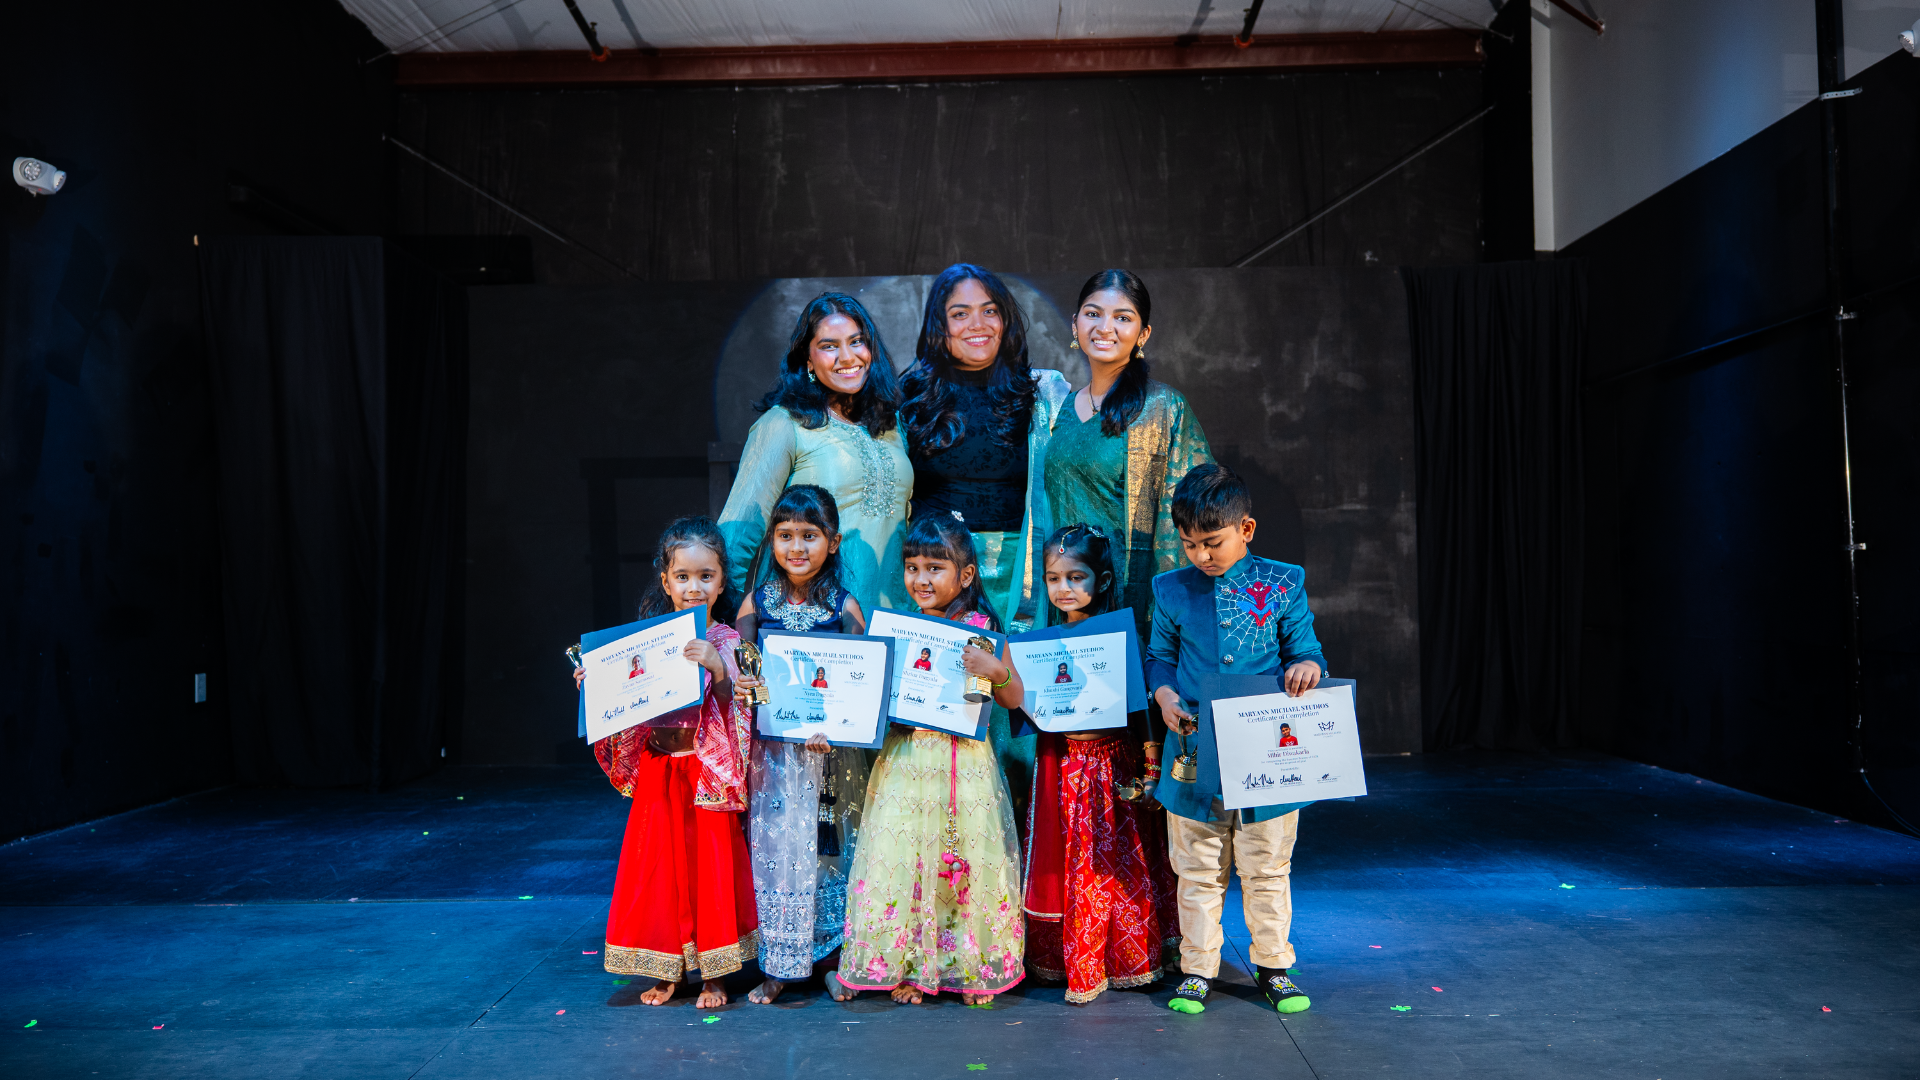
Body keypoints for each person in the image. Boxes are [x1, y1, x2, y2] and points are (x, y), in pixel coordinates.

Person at [1147, 464, 1325, 1016]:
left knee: (1266, 866)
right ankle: (1198, 967)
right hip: (1194, 752)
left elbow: (1307, 648)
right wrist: (1165, 696)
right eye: (1190, 544)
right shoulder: (1170, 588)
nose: (1202, 555)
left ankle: (1273, 964)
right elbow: (1159, 658)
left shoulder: (1282, 582)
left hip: (1264, 753)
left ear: (1246, 529)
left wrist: (1308, 668)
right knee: (1197, 868)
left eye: (1214, 542)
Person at [837, 513, 1030, 1005]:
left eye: (935, 568)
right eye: (912, 567)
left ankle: (967, 966)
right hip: (907, 758)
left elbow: (1013, 698)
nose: (921, 579)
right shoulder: (900, 628)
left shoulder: (980, 629)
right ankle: (910, 966)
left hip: (962, 764)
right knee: (907, 858)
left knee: (963, 857)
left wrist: (995, 671)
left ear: (966, 575)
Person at [899, 263, 1072, 810]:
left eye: (989, 310)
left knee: (1007, 709)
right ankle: (947, 852)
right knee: (943, 715)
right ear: (939, 326)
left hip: (1017, 575)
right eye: (959, 313)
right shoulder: (908, 395)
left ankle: (1011, 861)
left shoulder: (1039, 393)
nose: (978, 324)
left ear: (1006, 319)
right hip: (935, 580)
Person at [580, 516, 756, 1008]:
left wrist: (719, 669)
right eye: (683, 577)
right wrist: (594, 686)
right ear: (666, 580)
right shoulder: (647, 641)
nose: (694, 587)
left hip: (705, 773)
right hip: (662, 771)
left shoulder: (726, 640)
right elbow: (625, 701)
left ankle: (716, 974)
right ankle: (669, 969)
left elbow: (741, 708)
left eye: (706, 576)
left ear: (722, 581)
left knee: (709, 871)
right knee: (660, 870)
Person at [1023, 523, 1179, 1004]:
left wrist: (1152, 770)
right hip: (1066, 766)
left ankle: (1126, 958)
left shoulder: (1122, 637)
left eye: (1076, 578)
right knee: (1077, 864)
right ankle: (1078, 961)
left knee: (1118, 865)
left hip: (1113, 767)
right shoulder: (1041, 641)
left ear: (1103, 582)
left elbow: (1141, 710)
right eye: (1053, 578)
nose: (1064, 589)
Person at [731, 485, 872, 1005]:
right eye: (786, 536)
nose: (797, 548)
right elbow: (746, 671)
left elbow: (857, 679)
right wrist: (746, 685)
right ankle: (780, 963)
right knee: (777, 851)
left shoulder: (845, 605)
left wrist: (833, 726)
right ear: (772, 541)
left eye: (809, 536)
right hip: (774, 756)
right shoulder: (756, 602)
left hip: (828, 754)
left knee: (830, 850)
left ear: (832, 542)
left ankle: (835, 960)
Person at [720, 292, 913, 628]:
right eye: (829, 346)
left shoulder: (892, 425)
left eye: (857, 341)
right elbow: (739, 532)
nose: (847, 356)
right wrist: (728, 628)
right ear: (807, 360)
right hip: (813, 622)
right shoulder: (783, 424)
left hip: (895, 618)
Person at [1043, 269, 1212, 642]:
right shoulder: (1061, 409)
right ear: (1075, 325)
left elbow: (1198, 511)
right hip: (1064, 597)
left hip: (1130, 603)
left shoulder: (1163, 408)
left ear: (1143, 334)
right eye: (1093, 314)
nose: (1105, 327)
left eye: (1122, 318)